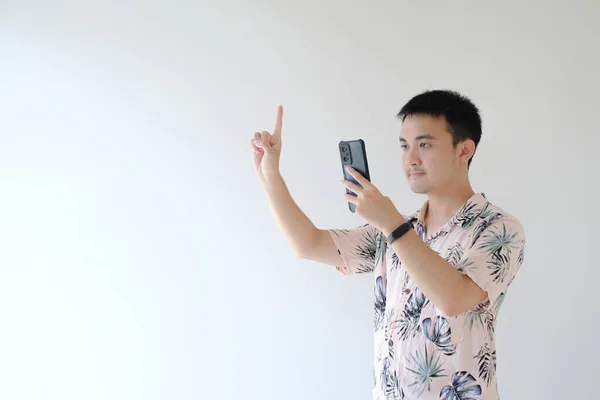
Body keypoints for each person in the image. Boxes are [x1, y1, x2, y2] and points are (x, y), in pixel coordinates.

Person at [250, 90, 525, 400]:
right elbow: (309, 244)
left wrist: (392, 224)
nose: (411, 159)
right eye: (404, 146)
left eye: (424, 144)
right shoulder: (394, 228)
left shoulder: (499, 227)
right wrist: (270, 176)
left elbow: (453, 298)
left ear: (464, 150)